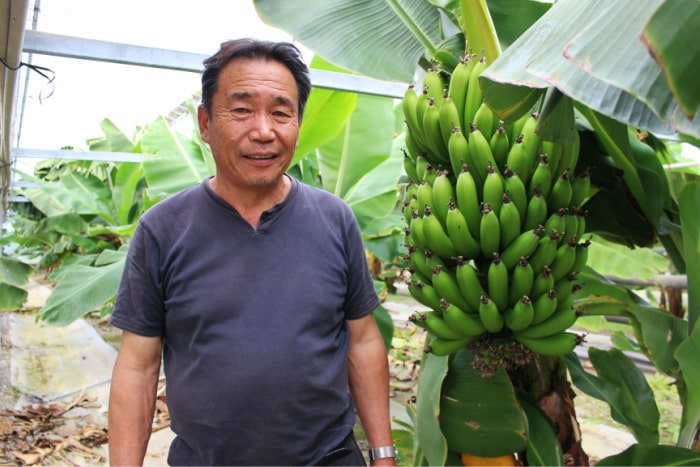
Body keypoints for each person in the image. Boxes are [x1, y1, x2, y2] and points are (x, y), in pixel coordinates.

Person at [107, 38, 397, 466]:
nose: (264, 130)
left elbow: (364, 341)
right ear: (205, 124)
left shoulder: (334, 219)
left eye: (281, 112)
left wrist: (384, 454)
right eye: (241, 110)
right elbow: (138, 365)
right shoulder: (163, 229)